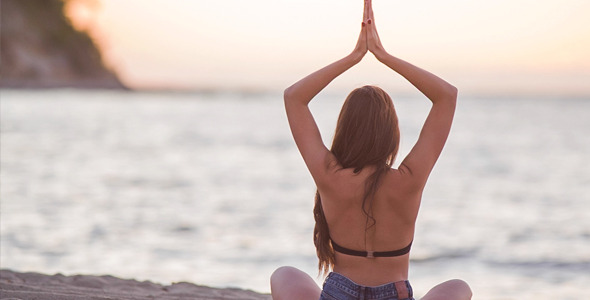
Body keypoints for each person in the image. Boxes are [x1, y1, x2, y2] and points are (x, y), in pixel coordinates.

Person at [271, 1, 472, 300]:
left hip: (339, 294)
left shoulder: (330, 176)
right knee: (459, 288)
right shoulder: (409, 178)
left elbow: (294, 98)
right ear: (391, 133)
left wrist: (354, 57)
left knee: (284, 275)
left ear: (345, 128)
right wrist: (383, 55)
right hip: (396, 295)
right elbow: (446, 96)